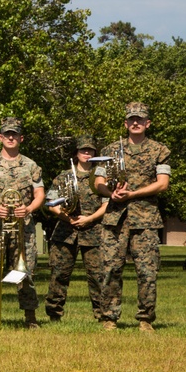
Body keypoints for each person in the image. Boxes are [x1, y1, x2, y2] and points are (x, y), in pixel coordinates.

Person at [94, 102, 171, 332]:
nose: (135, 123)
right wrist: (111, 193)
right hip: (114, 218)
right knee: (110, 269)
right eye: (131, 119)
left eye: (140, 119)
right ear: (126, 123)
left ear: (147, 123)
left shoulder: (160, 150)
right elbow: (98, 183)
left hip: (145, 219)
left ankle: (145, 319)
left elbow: (163, 184)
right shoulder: (109, 151)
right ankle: (109, 318)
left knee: (147, 272)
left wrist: (134, 193)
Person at [0, 117, 45, 329]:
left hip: (23, 228)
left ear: (21, 138)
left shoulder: (31, 166)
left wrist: (29, 208)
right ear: (0, 138)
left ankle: (30, 317)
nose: (11, 137)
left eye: (14, 134)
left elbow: (39, 193)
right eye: (7, 134)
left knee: (25, 273)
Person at [44, 135, 109, 322]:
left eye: (90, 150)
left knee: (98, 277)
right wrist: (67, 218)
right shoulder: (63, 176)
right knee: (59, 275)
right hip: (65, 233)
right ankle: (54, 315)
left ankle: (102, 316)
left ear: (95, 153)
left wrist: (89, 219)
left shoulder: (101, 177)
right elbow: (51, 203)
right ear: (76, 153)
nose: (86, 153)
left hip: (94, 232)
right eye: (83, 150)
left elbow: (107, 203)